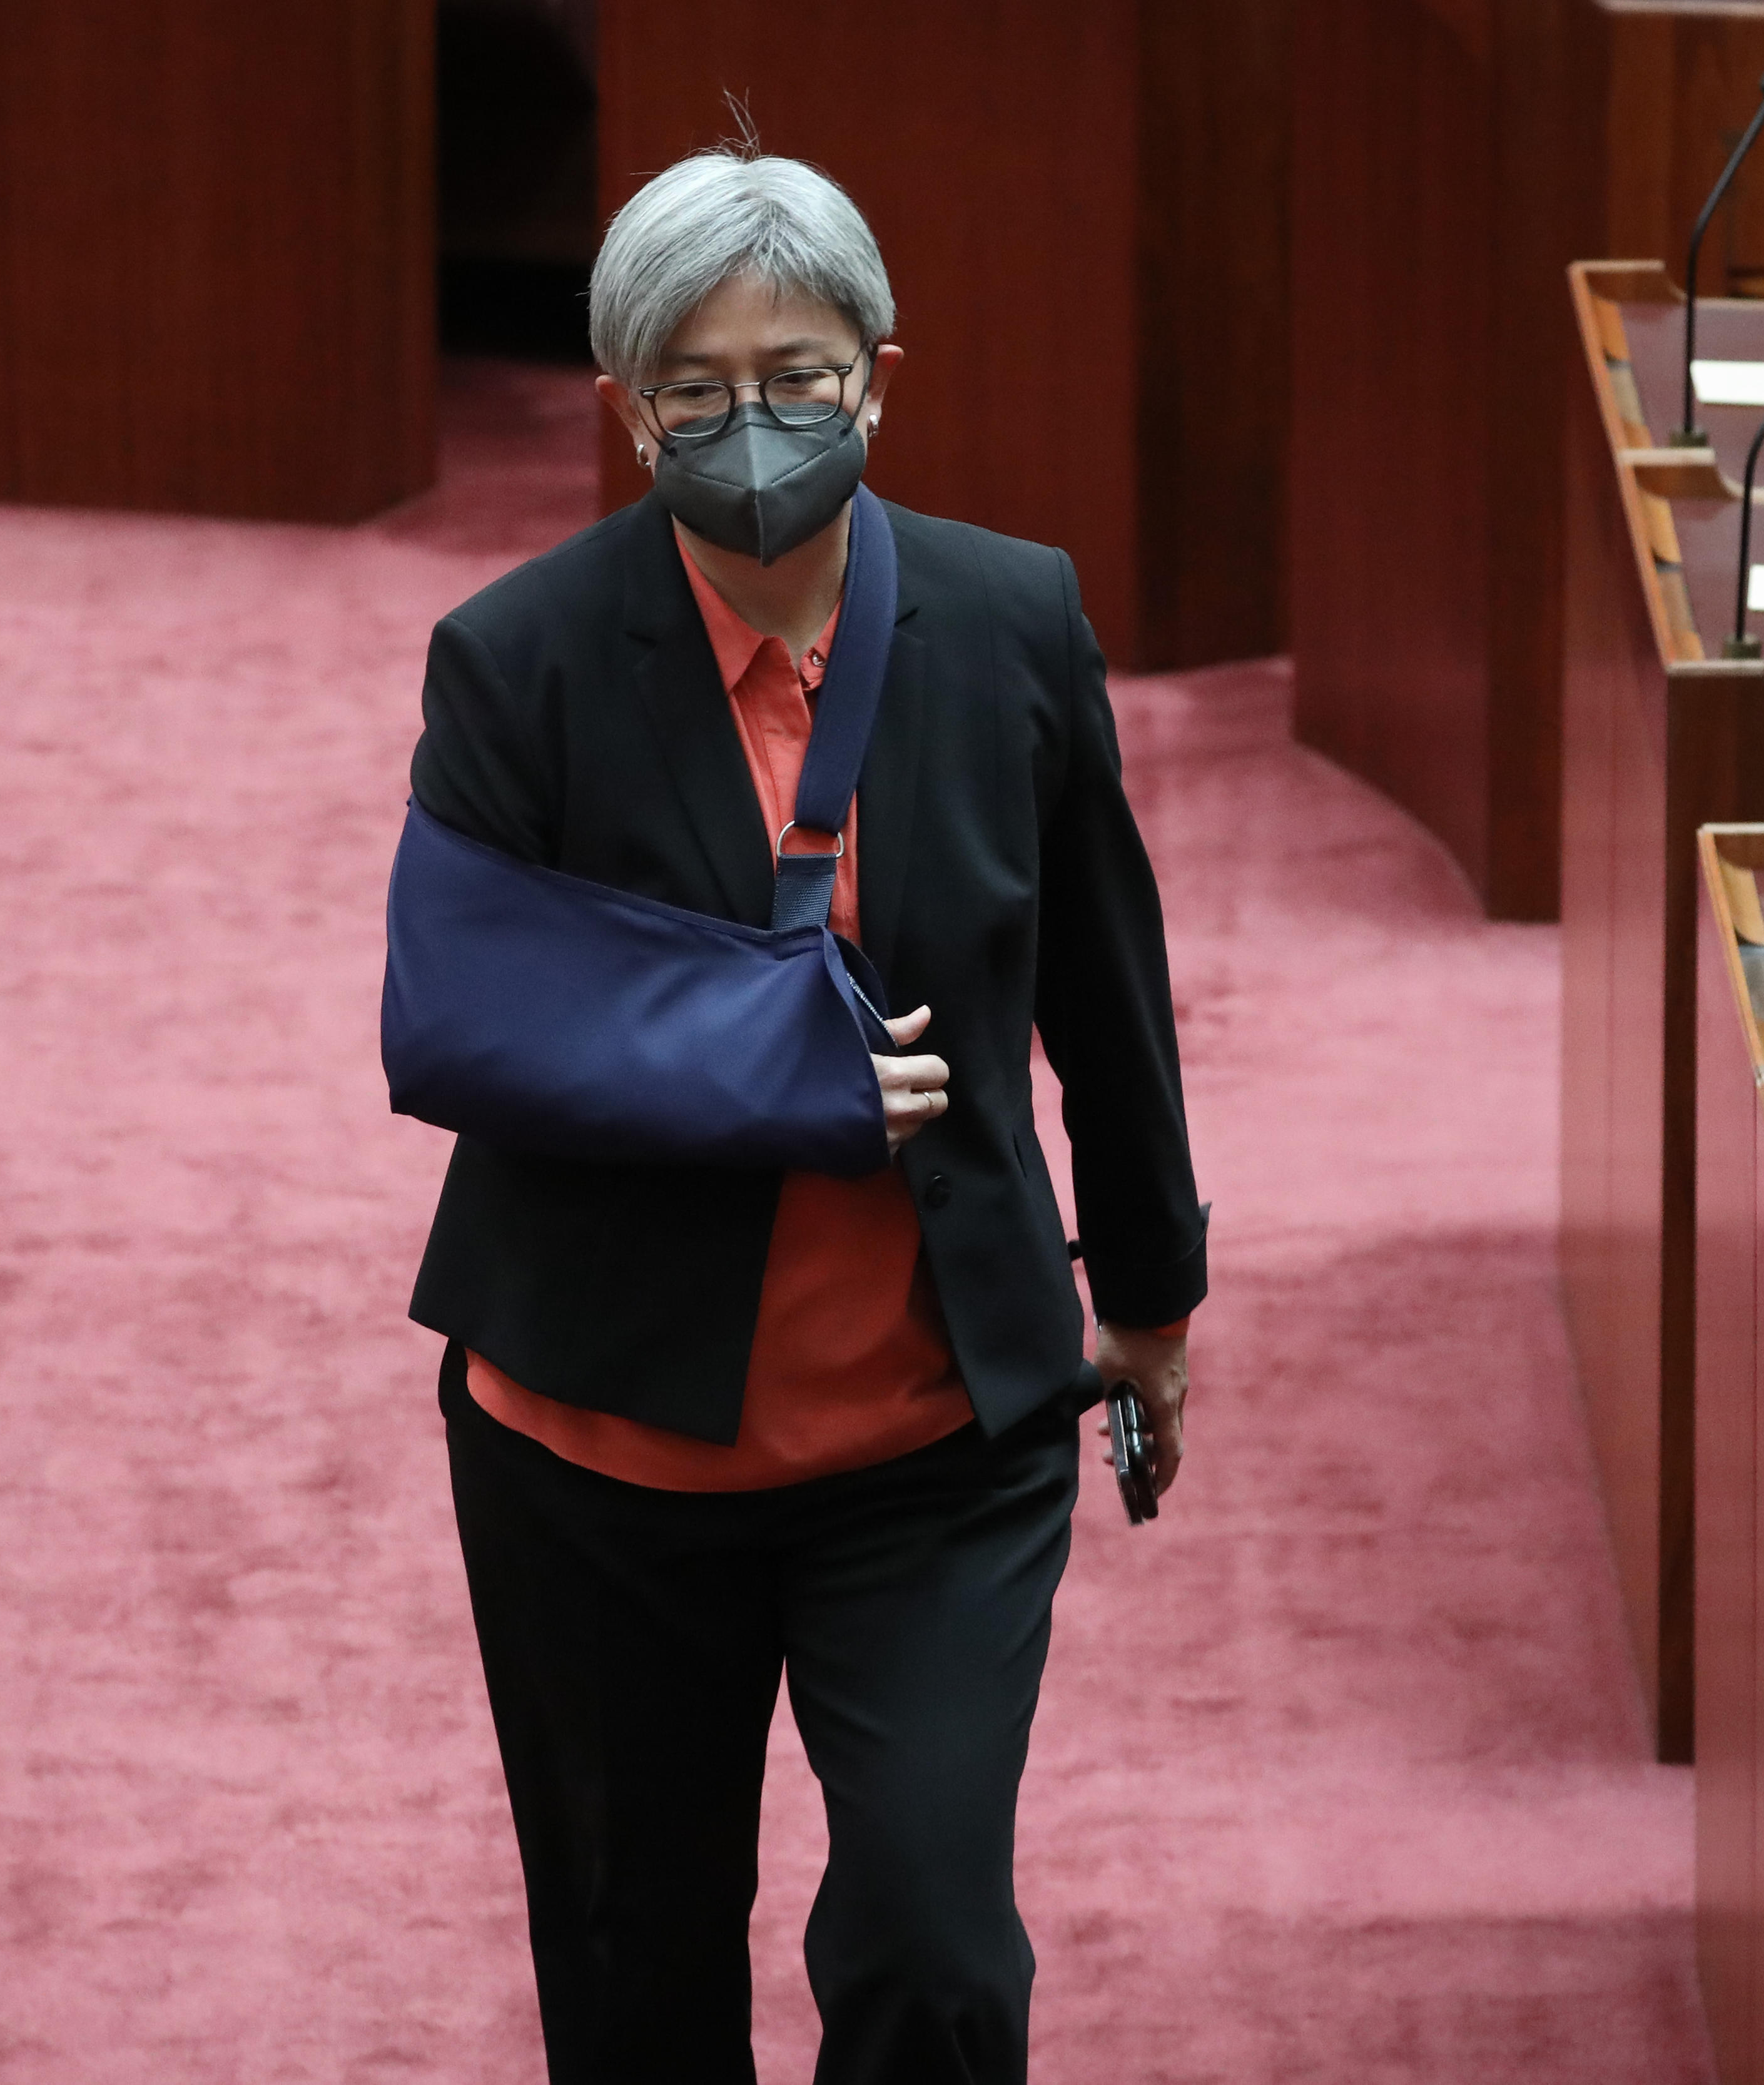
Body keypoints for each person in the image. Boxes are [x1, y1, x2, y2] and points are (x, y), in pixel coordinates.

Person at [398, 145, 1205, 2084]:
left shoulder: (1012, 622)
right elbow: (464, 1025)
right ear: (626, 407)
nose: (750, 424)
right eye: (695, 388)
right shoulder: (521, 659)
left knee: (939, 1958)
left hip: (933, 1445)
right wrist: (768, 1074)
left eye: (797, 375)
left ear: (878, 379)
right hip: (600, 1456)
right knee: (639, 1982)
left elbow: (1106, 992)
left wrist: (1150, 1302)